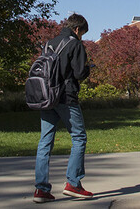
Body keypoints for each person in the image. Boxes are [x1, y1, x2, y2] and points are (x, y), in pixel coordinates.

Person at [33, 13, 94, 203]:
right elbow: (78, 73)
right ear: (77, 29)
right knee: (79, 137)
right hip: (65, 97)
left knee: (45, 141)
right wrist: (89, 68)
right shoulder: (75, 44)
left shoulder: (49, 43)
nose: (81, 36)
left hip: (46, 96)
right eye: (82, 33)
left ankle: (41, 189)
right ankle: (73, 183)